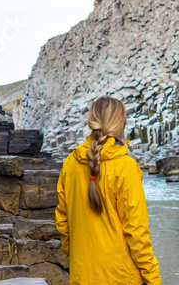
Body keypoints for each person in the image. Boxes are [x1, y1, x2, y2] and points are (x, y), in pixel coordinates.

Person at [55, 96, 162, 285]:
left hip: (82, 275)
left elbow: (63, 224)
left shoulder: (70, 163)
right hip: (121, 277)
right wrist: (153, 279)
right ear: (120, 123)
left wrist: (76, 261)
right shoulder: (125, 166)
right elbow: (137, 232)